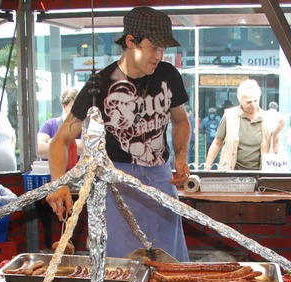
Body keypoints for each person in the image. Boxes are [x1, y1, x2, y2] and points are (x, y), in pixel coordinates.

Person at [45, 6, 191, 261]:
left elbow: (180, 121)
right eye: (154, 47)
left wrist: (180, 157)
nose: (160, 55)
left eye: (163, 49)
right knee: (121, 267)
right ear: (130, 41)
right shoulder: (100, 85)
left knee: (171, 264)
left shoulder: (168, 75)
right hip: (118, 184)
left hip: (160, 178)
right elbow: (61, 140)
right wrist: (58, 184)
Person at [203, 79, 284, 171]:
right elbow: (217, 142)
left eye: (256, 101)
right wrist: (207, 166)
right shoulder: (230, 116)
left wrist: (276, 133)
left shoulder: (267, 118)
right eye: (248, 102)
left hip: (259, 174)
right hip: (232, 174)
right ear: (240, 100)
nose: (253, 104)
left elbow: (274, 149)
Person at [37, 88, 82, 170]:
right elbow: (39, 149)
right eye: (73, 107)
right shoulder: (50, 125)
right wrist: (72, 147)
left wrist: (53, 143)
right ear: (64, 106)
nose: (78, 111)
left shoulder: (87, 127)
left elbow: (85, 149)